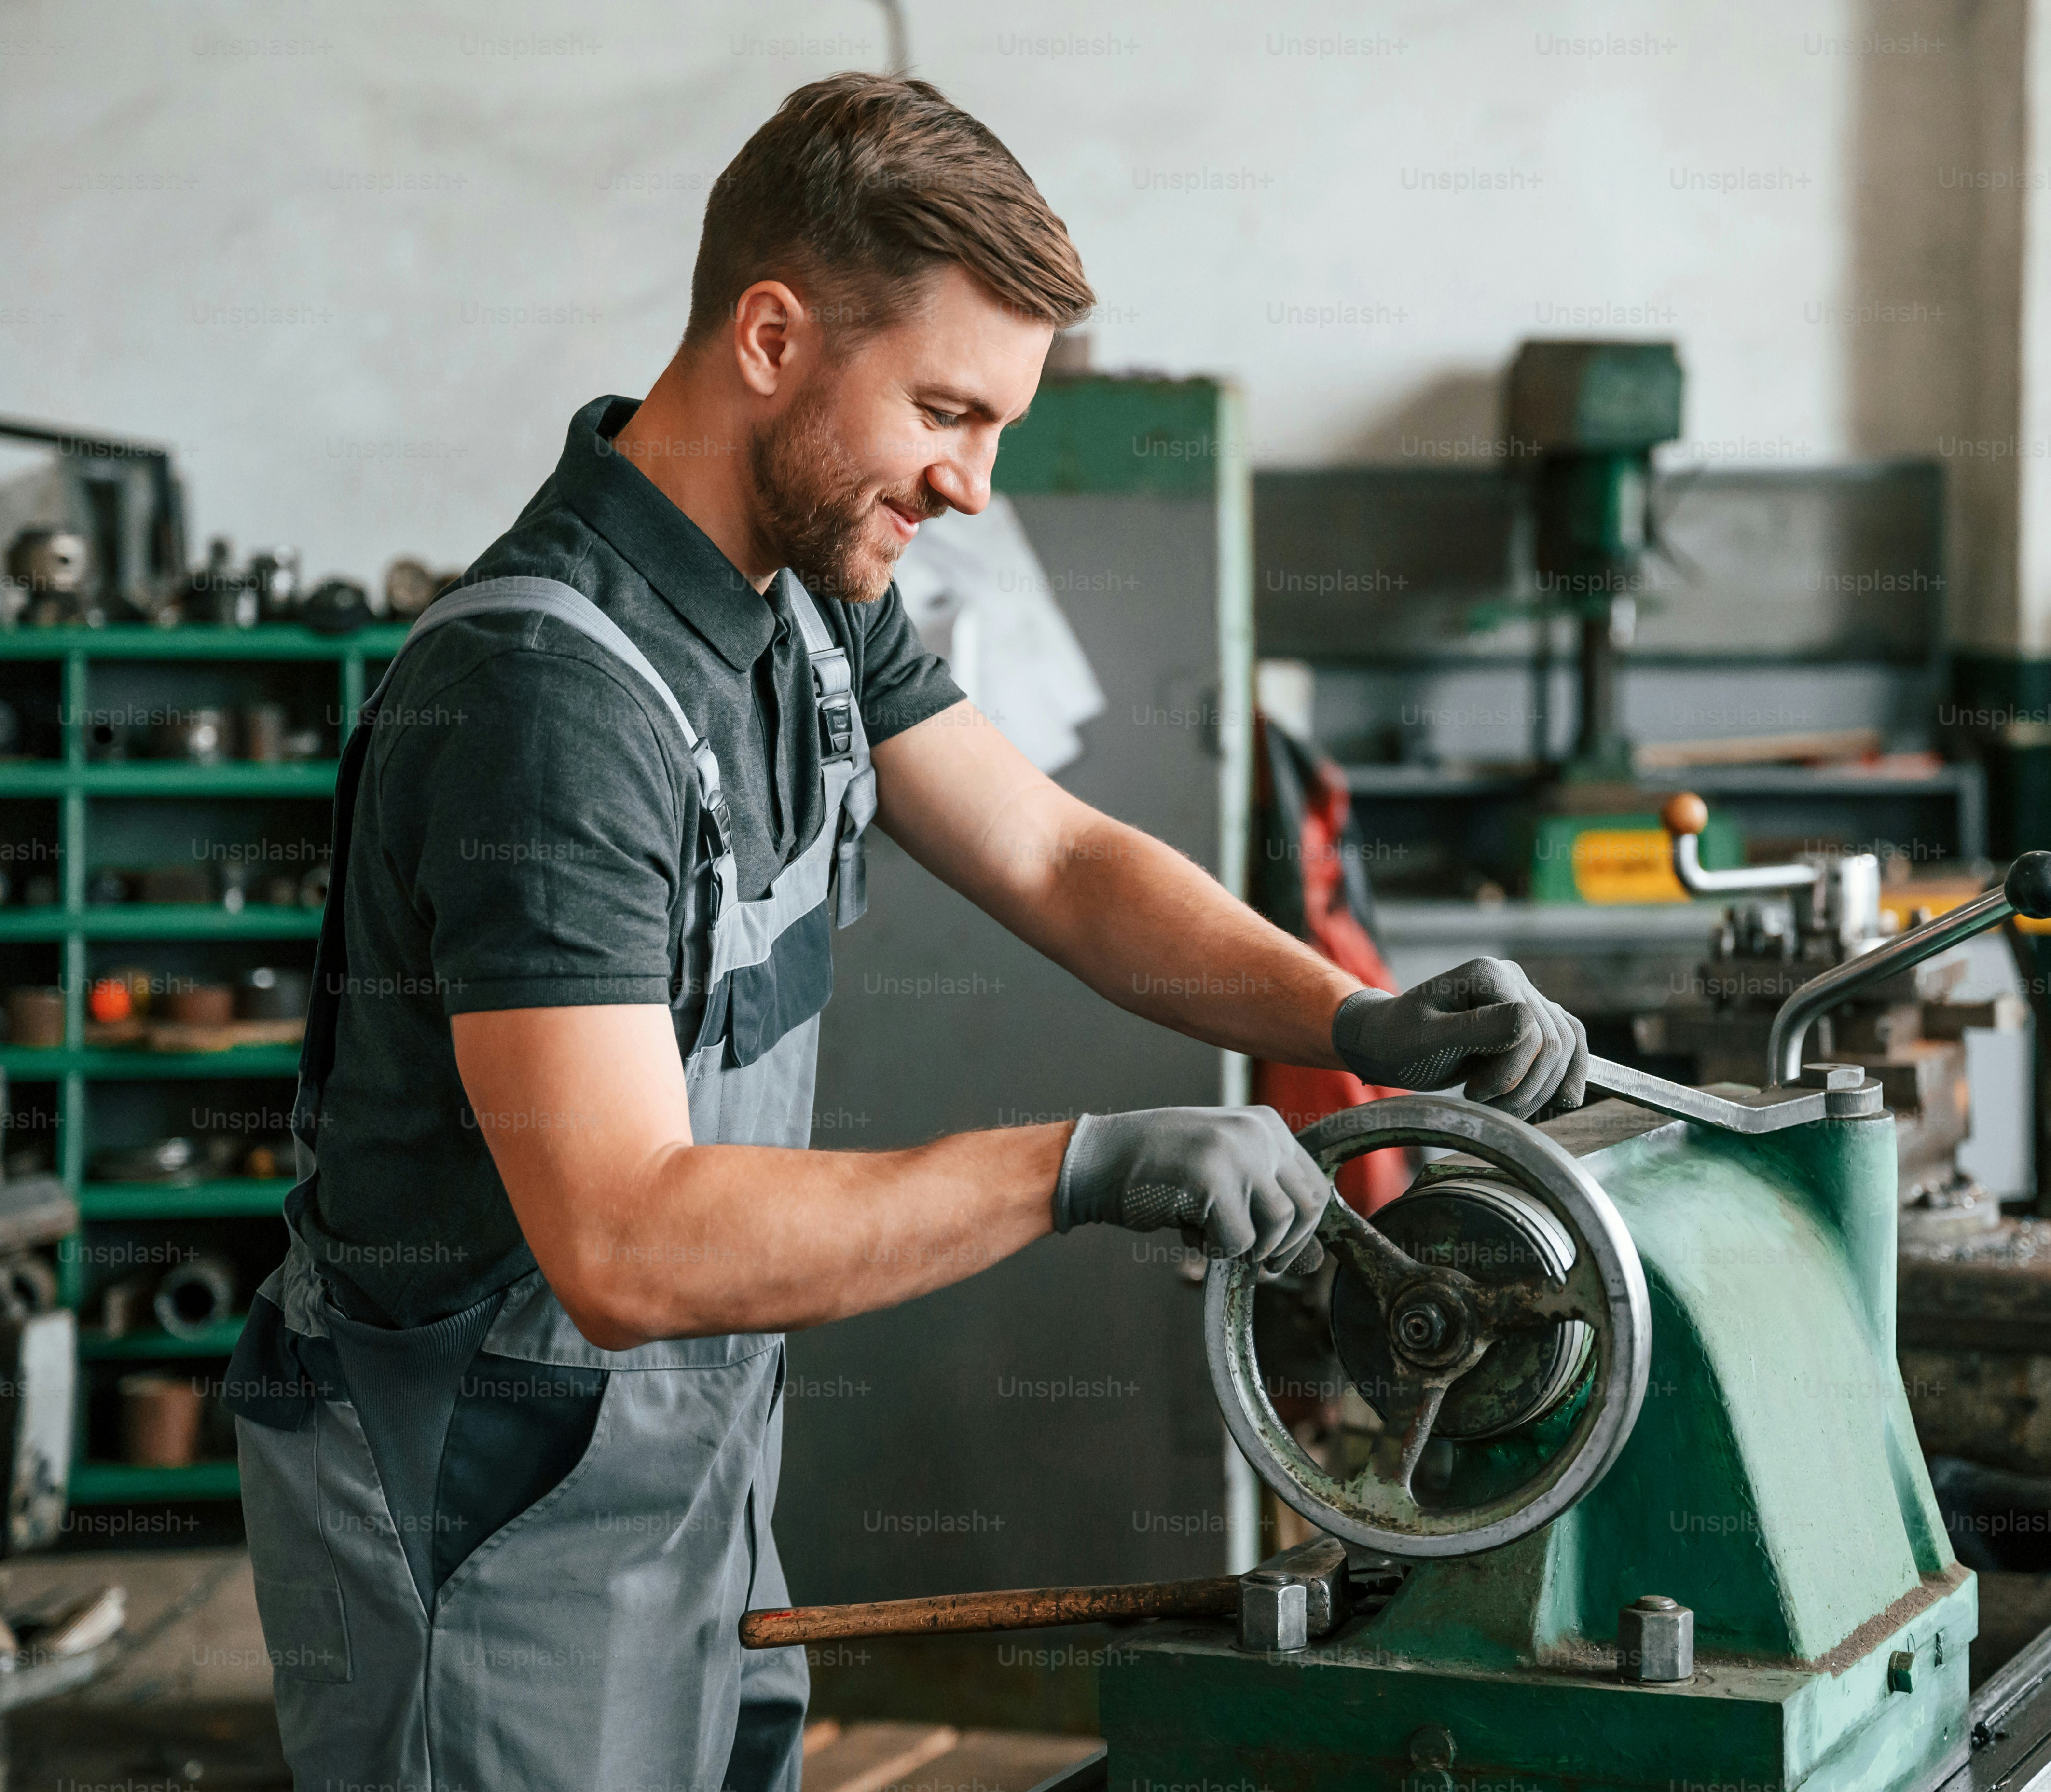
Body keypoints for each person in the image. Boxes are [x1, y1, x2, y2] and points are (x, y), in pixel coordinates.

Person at [225, 71, 1591, 1792]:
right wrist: (1080, 1164)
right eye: (948, 410)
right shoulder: (545, 701)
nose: (973, 487)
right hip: (487, 1536)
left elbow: (1061, 857)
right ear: (774, 338)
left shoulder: (805, 602)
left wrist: (1354, 1019)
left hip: (689, 1482)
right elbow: (626, 1239)